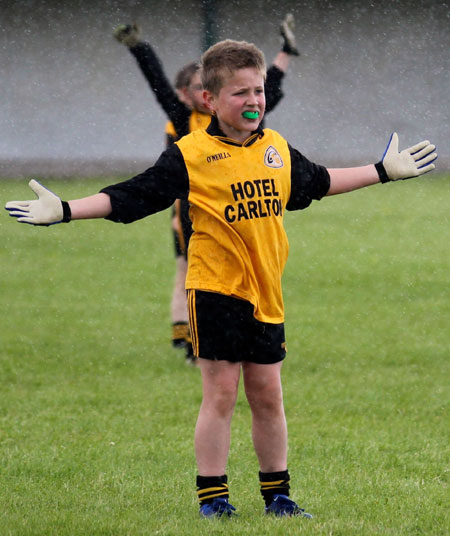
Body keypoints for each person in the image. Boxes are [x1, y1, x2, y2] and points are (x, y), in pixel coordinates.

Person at [5, 39, 437, 518]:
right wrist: (66, 210)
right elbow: (132, 197)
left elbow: (316, 181)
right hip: (214, 290)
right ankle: (214, 499)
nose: (253, 101)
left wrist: (381, 171)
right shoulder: (190, 154)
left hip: (265, 292)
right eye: (239, 93)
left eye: (258, 91)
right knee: (222, 395)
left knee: (268, 395)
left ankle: (278, 497)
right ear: (208, 100)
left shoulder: (274, 149)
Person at [113, 15, 300, 360]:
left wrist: (286, 53)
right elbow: (157, 82)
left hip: (242, 207)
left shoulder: (244, 119)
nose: (250, 100)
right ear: (193, 95)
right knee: (191, 270)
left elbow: (265, 89)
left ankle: (226, 336)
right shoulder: (185, 117)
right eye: (199, 88)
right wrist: (140, 48)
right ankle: (190, 339)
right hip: (195, 207)